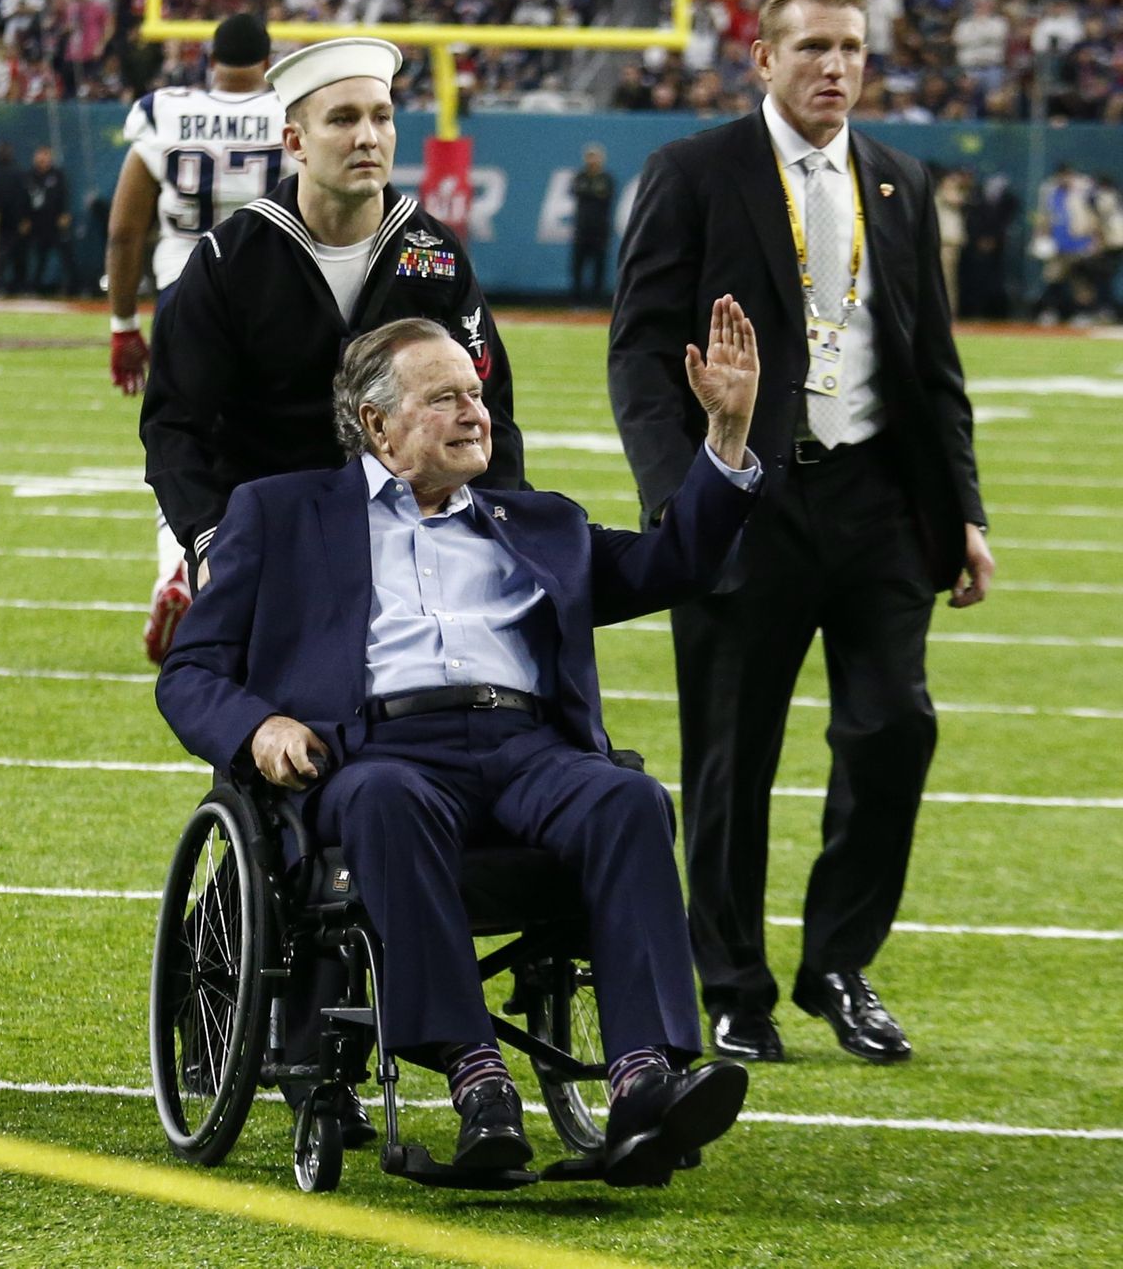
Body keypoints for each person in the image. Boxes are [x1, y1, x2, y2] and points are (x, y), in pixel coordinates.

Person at [157, 306, 763, 1184]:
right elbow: (190, 671)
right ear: (377, 424)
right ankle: (477, 1075)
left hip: (528, 750)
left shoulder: (540, 521)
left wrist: (728, 435)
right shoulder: (282, 513)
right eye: (444, 398)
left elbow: (677, 565)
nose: (475, 412)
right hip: (378, 751)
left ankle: (644, 1080)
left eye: (474, 394)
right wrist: (260, 727)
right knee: (385, 799)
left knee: (630, 797)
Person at [608, 0, 992, 1067]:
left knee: (894, 726)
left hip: (877, 499)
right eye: (814, 47)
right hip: (747, 500)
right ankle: (733, 984)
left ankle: (838, 962)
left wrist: (960, 510)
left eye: (853, 50)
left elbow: (932, 367)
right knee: (732, 755)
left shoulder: (899, 181)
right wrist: (685, 496)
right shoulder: (692, 172)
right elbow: (639, 350)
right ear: (762, 60)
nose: (836, 68)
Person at [141, 35, 526, 617]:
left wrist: (501, 528)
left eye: (381, 117)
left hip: (412, 557)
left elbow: (488, 409)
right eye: (343, 119)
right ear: (295, 140)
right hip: (271, 546)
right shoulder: (230, 258)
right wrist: (209, 540)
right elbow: (174, 424)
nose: (367, 137)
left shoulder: (435, 252)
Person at [106, 12, 287, 661]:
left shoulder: (167, 110)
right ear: (268, 59)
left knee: (180, 440)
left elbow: (126, 229)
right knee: (276, 441)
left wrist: (122, 323)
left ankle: (178, 568)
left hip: (185, 293)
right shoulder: (294, 108)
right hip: (276, 293)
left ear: (210, 59)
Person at [7, 145, 77, 296]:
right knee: (34, 256)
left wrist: (64, 213)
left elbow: (64, 195)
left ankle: (72, 287)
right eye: (40, 156)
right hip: (35, 223)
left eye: (46, 156)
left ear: (50, 158)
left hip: (55, 222)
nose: (42, 159)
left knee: (66, 255)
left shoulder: (58, 175)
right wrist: (23, 219)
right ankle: (29, 286)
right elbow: (21, 199)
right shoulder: (28, 176)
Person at [570, 143, 615, 306]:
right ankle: (576, 301)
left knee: (599, 268)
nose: (592, 160)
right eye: (589, 156)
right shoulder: (580, 177)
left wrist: (590, 193)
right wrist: (593, 193)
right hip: (582, 229)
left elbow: (604, 195)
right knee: (578, 267)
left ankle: (597, 301)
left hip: (600, 230)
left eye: (594, 156)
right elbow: (578, 192)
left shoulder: (607, 178)